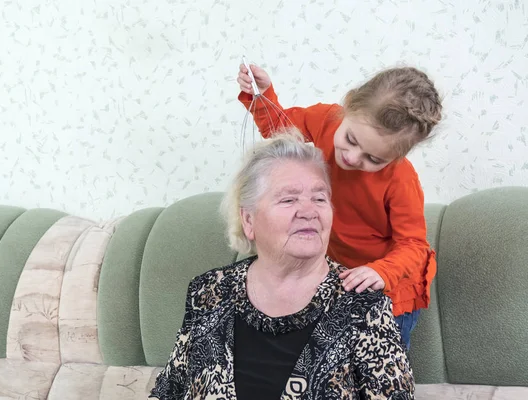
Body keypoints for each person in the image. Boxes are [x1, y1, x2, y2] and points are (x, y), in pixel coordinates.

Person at [149, 131, 414, 399]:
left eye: (320, 198)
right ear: (249, 221)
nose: (309, 211)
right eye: (289, 199)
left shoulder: (363, 305)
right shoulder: (207, 293)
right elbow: (169, 391)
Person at [236, 63, 443, 350]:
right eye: (351, 140)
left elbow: (414, 246)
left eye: (374, 159)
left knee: (379, 365)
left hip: (388, 292)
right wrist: (263, 93)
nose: (354, 157)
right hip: (338, 281)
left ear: (396, 156)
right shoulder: (326, 119)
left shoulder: (400, 179)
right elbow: (278, 127)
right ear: (347, 108)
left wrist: (380, 272)